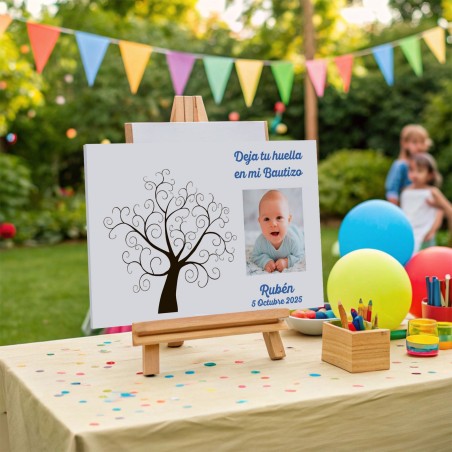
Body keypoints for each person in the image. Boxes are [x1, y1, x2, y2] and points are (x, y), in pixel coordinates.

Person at [251, 190, 304, 272]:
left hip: (298, 234)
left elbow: (299, 255)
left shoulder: (293, 241)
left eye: (279, 218)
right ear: (260, 222)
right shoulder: (260, 242)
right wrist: (265, 261)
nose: (273, 224)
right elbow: (255, 256)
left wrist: (286, 262)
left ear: (288, 220)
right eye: (266, 219)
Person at [400, 153, 444, 253]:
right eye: (411, 170)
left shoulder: (432, 192)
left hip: (426, 235)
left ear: (429, 175)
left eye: (419, 171)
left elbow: (440, 212)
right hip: (410, 234)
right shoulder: (405, 192)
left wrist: (432, 231)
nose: (414, 174)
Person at [385, 124, 432, 205]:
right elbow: (392, 193)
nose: (419, 146)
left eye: (422, 142)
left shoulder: (426, 164)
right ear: (405, 143)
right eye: (414, 142)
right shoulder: (400, 165)